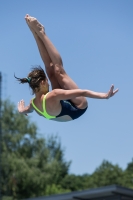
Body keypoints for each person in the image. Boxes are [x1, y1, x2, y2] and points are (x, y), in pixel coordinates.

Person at [15, 14, 118, 122]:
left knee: (50, 72)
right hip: (79, 107)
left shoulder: (33, 104)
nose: (49, 83)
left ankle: (35, 34)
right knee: (58, 71)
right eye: (46, 81)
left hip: (61, 105)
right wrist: (104, 96)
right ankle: (40, 32)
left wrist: (22, 111)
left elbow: (28, 109)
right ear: (41, 83)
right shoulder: (53, 95)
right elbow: (83, 93)